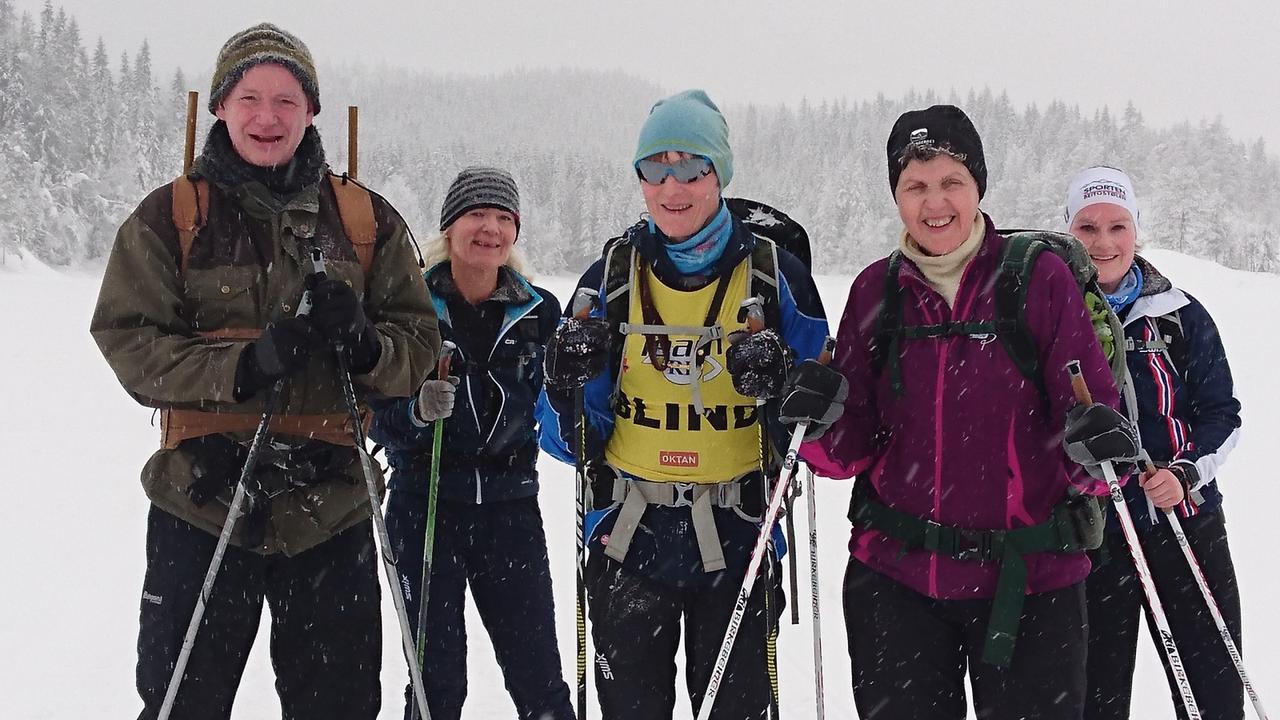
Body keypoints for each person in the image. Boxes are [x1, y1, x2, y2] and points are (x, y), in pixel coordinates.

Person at [90, 23, 439, 720]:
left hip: (331, 508)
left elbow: (420, 345)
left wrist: (366, 346)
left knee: (339, 707)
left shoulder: (364, 220)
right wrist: (244, 365)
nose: (267, 117)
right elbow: (128, 342)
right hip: (201, 500)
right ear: (221, 105)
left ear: (312, 110)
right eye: (249, 97)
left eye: (286, 100)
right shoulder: (171, 216)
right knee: (182, 703)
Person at [790, 105, 1139, 719]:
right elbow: (847, 451)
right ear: (896, 195)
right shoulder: (875, 290)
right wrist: (815, 423)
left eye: (951, 181)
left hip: (1032, 580)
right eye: (915, 186)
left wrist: (1097, 447)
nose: (935, 202)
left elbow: (1088, 417)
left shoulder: (1039, 279)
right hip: (897, 582)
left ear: (978, 185)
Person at [536, 89, 829, 719]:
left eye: (692, 166)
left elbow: (824, 429)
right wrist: (564, 387)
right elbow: (564, 442)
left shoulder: (776, 277)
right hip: (628, 539)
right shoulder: (609, 279)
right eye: (656, 166)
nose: (673, 185)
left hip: (741, 536)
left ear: (719, 173)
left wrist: (784, 384)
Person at [369, 166, 575, 720]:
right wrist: (415, 413)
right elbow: (374, 417)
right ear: (450, 226)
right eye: (476, 214)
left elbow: (562, 413)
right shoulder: (408, 307)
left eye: (503, 218)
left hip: (511, 510)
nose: (490, 229)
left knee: (539, 680)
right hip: (425, 506)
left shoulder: (539, 312)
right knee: (435, 684)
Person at [1064, 166, 1245, 720]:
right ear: (1068, 231)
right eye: (1087, 227)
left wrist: (1184, 473)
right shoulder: (1054, 316)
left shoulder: (1179, 315)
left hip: (1182, 520)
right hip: (1092, 531)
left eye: (1117, 226)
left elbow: (1222, 415)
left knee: (1212, 689)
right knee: (1094, 695)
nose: (1103, 242)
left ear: (1136, 230)